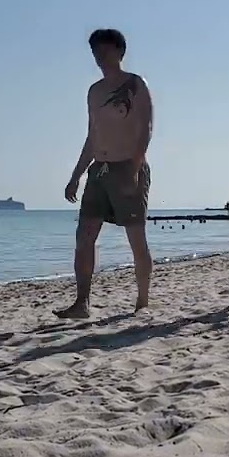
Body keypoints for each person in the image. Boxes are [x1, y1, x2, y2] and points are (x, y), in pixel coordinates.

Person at [56, 29, 154, 319]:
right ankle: (81, 303)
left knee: (136, 237)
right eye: (95, 51)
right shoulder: (94, 91)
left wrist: (135, 169)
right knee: (84, 237)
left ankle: (142, 302)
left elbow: (145, 130)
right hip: (99, 169)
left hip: (129, 165)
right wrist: (76, 174)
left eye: (105, 49)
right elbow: (92, 136)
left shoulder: (135, 84)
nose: (99, 55)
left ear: (119, 51)